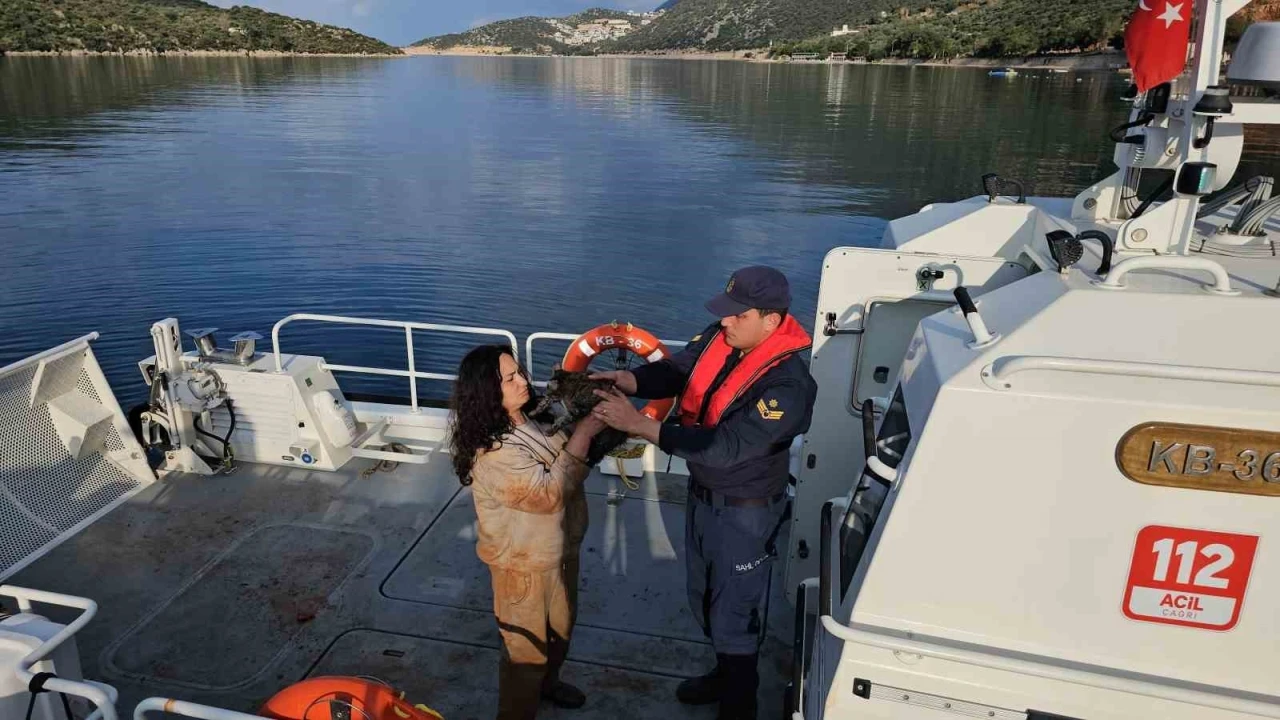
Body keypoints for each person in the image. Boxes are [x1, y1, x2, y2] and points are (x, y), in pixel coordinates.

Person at [590, 266, 817, 720]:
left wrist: (638, 424)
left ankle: (739, 702)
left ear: (771, 321)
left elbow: (724, 447)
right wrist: (630, 381)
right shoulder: (723, 337)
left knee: (736, 612)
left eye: (738, 314)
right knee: (705, 597)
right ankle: (723, 673)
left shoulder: (789, 386)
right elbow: (679, 369)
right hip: (704, 497)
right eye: (726, 311)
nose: (725, 320)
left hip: (745, 514)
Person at [449, 344, 608, 720]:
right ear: (487, 392)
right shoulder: (493, 452)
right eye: (510, 379)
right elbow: (548, 496)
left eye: (519, 372)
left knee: (560, 631)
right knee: (525, 653)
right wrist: (586, 432)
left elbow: (569, 457)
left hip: (559, 553)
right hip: (522, 569)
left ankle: (549, 684)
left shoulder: (533, 420)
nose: (523, 381)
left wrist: (590, 412)